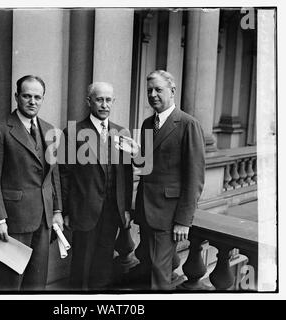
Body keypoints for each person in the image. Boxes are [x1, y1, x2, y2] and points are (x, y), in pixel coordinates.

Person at [120, 70, 205, 290]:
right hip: (146, 209)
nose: (153, 94)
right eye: (149, 90)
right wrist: (135, 154)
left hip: (168, 214)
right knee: (147, 267)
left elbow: (195, 178)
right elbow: (148, 165)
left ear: (172, 91)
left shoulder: (188, 124)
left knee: (160, 274)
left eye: (159, 89)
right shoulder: (149, 123)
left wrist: (184, 220)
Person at [0, 75, 63, 290]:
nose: (32, 101)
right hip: (13, 221)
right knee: (11, 283)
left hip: (44, 220)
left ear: (43, 99)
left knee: (37, 283)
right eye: (27, 96)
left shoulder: (49, 129)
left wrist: (57, 211)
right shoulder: (0, 129)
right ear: (17, 97)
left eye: (37, 97)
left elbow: (54, 175)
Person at [59, 82, 133, 290]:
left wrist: (125, 208)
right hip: (84, 211)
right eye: (99, 99)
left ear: (113, 102)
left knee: (103, 267)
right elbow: (65, 174)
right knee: (81, 267)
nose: (104, 104)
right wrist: (65, 210)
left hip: (112, 212)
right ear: (89, 102)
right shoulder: (73, 132)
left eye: (108, 100)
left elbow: (126, 175)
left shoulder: (121, 132)